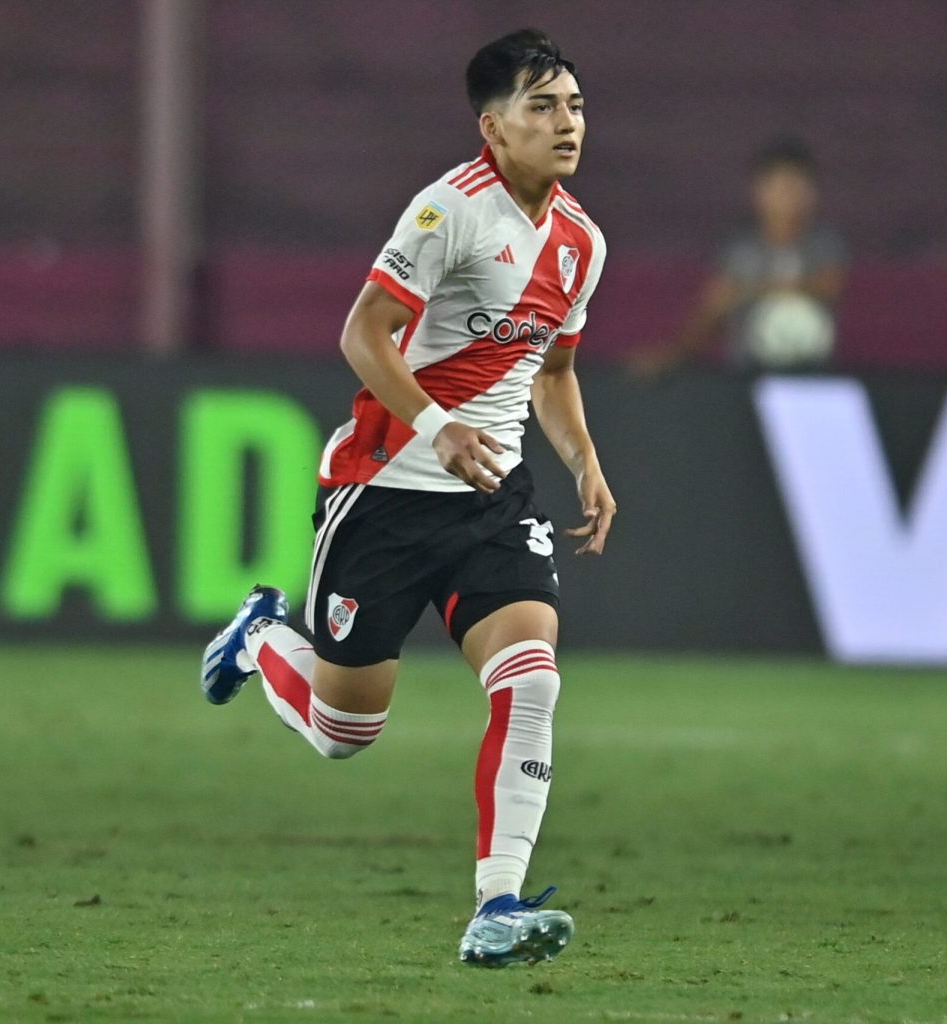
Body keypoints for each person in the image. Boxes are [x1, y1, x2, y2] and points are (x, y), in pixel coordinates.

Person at [199, 29, 613, 968]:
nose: (567, 124)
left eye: (575, 106)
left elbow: (552, 371)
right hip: (383, 491)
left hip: (492, 498)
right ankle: (261, 637)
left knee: (532, 679)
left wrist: (584, 460)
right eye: (542, 106)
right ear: (493, 127)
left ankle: (497, 906)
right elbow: (363, 334)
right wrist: (438, 428)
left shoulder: (582, 243)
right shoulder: (448, 211)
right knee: (346, 729)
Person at [633, 136, 847, 375]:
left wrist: (745, 290)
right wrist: (671, 355)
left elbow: (829, 286)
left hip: (815, 376)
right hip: (748, 376)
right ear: (759, 192)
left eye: (796, 187)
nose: (788, 198)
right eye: (779, 187)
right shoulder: (740, 250)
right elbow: (712, 309)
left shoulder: (824, 245)